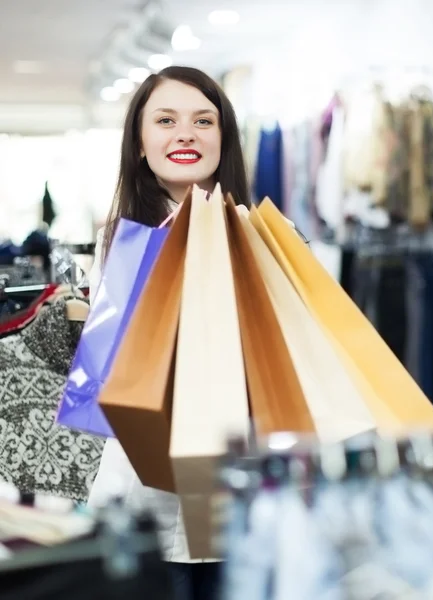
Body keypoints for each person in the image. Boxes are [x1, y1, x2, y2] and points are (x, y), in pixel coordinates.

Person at [87, 66, 252, 600]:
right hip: (149, 492)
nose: (186, 133)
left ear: (222, 139)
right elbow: (107, 372)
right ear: (140, 143)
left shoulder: (266, 236)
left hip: (242, 486)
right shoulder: (123, 243)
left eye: (204, 120)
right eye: (165, 120)